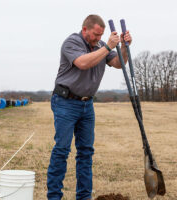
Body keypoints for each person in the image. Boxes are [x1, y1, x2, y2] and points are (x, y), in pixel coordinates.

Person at [47, 14, 132, 200]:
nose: (98, 38)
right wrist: (109, 46)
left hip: (87, 105)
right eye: (95, 34)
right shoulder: (72, 42)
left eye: (101, 35)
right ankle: (54, 197)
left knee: (86, 152)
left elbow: (119, 63)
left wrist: (124, 47)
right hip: (65, 102)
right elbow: (83, 63)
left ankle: (83, 197)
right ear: (85, 29)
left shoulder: (101, 46)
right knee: (62, 150)